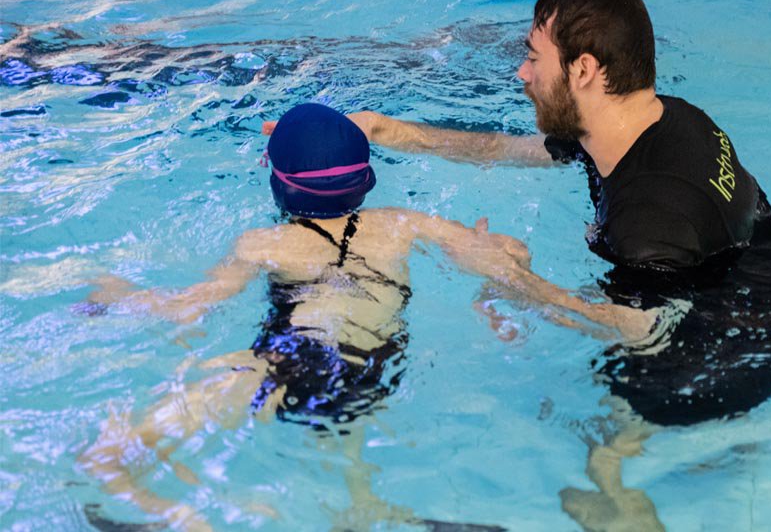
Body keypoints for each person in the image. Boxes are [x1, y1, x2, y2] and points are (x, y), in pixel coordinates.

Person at [261, 0, 771, 529]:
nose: (521, 72)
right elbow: (504, 149)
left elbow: (638, 330)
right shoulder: (653, 121)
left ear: (584, 69)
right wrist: (387, 131)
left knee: (594, 458)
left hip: (742, 342)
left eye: (534, 57)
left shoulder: (651, 216)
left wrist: (511, 281)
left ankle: (635, 494)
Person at [79, 103, 657, 531]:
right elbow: (504, 259)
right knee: (354, 483)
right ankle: (383, 514)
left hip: (290, 361)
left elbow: (187, 309)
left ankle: (180, 518)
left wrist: (113, 292)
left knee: (108, 455)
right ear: (366, 181)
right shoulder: (402, 224)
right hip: (376, 371)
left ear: (278, 184)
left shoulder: (263, 243)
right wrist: (496, 259)